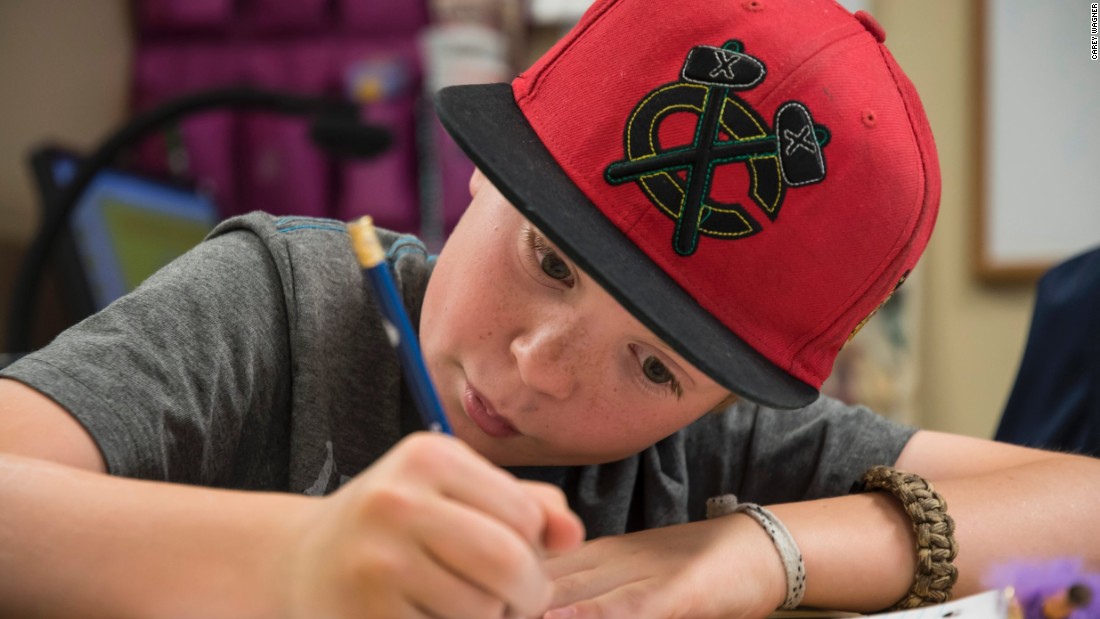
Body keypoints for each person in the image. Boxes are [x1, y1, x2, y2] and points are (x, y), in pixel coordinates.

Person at [1, 0, 1098, 617]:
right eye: (551, 260)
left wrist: (763, 551)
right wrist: (295, 563)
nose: (540, 365)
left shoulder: (703, 443)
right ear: (482, 172)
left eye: (656, 365)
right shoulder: (275, 306)